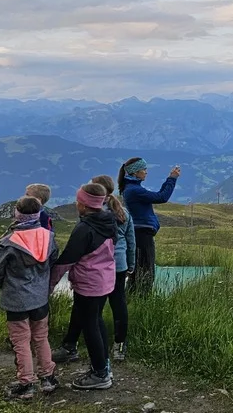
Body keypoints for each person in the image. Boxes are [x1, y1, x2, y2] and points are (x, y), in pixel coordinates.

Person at [52, 175, 134, 365]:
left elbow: (78, 249)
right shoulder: (122, 213)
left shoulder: (92, 217)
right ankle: (119, 346)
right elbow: (131, 241)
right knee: (118, 304)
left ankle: (71, 346)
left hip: (95, 269)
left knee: (87, 310)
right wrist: (131, 264)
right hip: (118, 266)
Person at [49, 182, 118, 390]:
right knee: (97, 321)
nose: (76, 203)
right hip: (105, 280)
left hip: (88, 283)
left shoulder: (84, 228)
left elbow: (67, 260)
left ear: (84, 204)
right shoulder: (109, 220)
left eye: (78, 200)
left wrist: (49, 285)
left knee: (90, 327)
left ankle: (100, 374)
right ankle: (104, 366)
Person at [0, 196, 60, 400]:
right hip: (40, 297)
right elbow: (53, 260)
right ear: (38, 214)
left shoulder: (9, 242)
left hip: (16, 298)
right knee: (41, 337)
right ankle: (48, 377)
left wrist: (2, 284)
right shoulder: (48, 237)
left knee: (21, 341)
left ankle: (26, 383)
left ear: (17, 214)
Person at [119, 158, 179, 295]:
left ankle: (132, 298)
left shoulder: (132, 188)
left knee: (139, 270)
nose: (146, 172)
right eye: (144, 169)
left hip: (139, 233)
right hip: (142, 234)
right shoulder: (135, 190)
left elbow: (158, 196)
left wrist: (170, 179)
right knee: (145, 271)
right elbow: (161, 197)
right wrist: (172, 178)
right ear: (135, 172)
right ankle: (141, 298)